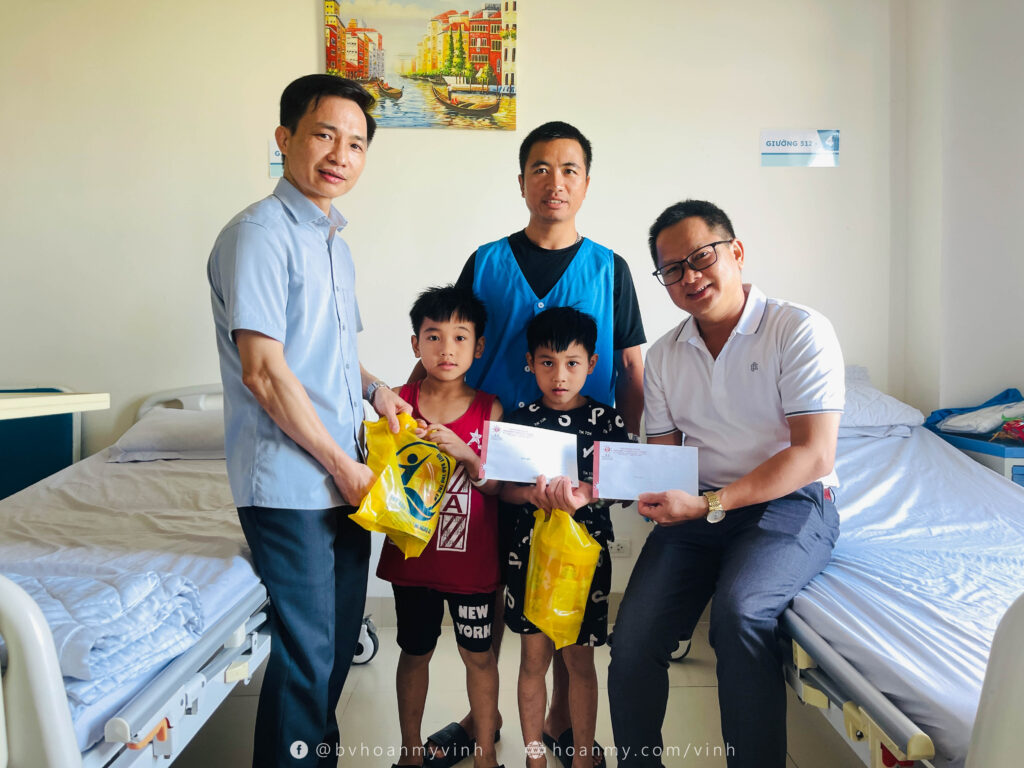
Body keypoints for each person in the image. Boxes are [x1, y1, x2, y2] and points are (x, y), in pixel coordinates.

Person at [415, 121, 646, 767]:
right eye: (541, 168)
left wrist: (626, 462)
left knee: (566, 595)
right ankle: (482, 721)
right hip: (492, 457)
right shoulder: (488, 262)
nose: (555, 181)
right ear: (521, 181)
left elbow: (631, 369)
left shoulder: (611, 269)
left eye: (569, 169)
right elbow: (449, 338)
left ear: (587, 183)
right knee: (490, 592)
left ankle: (562, 725)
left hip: (579, 467)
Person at [207, 74, 410, 768]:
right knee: (307, 650)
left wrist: (378, 390)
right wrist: (341, 464)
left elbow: (331, 354)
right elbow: (264, 372)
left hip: (342, 473)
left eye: (356, 144)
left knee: (338, 640)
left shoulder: (332, 243)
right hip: (292, 481)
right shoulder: (259, 235)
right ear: (285, 137)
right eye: (325, 135)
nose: (340, 156)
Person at [607, 200, 845, 768]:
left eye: (701, 257)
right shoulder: (664, 355)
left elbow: (813, 453)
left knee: (740, 616)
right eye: (671, 269)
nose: (689, 277)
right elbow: (664, 459)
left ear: (735, 252)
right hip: (698, 508)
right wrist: (611, 487)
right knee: (632, 641)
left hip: (790, 504)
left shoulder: (797, 330)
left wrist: (710, 503)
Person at [376, 286, 505, 768]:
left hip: (472, 567)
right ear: (416, 345)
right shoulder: (398, 404)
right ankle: (410, 752)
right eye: (433, 337)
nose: (446, 349)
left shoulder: (490, 408)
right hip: (412, 563)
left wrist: (468, 455)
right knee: (414, 653)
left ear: (479, 347)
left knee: (479, 657)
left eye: (460, 337)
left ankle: (485, 754)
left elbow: (496, 487)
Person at [501, 307, 634, 768]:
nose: (559, 375)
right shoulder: (519, 421)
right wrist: (530, 496)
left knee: (580, 662)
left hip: (585, 561)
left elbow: (627, 489)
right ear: (530, 363)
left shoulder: (608, 422)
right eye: (547, 362)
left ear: (592, 363)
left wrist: (588, 493)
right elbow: (503, 489)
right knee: (532, 662)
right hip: (531, 558)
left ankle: (581, 757)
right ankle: (534, 757)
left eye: (572, 363)